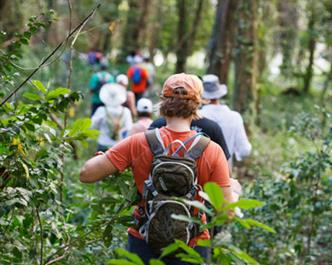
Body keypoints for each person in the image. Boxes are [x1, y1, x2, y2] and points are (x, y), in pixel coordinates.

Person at [80, 73, 234, 265]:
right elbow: (226, 213)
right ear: (197, 104)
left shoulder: (138, 142)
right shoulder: (212, 150)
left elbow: (86, 174)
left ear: (162, 102)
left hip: (144, 240)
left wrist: (106, 157)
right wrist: (234, 190)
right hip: (192, 244)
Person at [200, 74, 252, 167]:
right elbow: (244, 150)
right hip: (225, 173)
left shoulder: (195, 116)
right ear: (219, 94)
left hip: (198, 175)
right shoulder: (234, 117)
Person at [91, 83, 133, 152]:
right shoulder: (126, 111)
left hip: (103, 145)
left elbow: (92, 126)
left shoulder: (101, 110)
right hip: (119, 146)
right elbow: (129, 129)